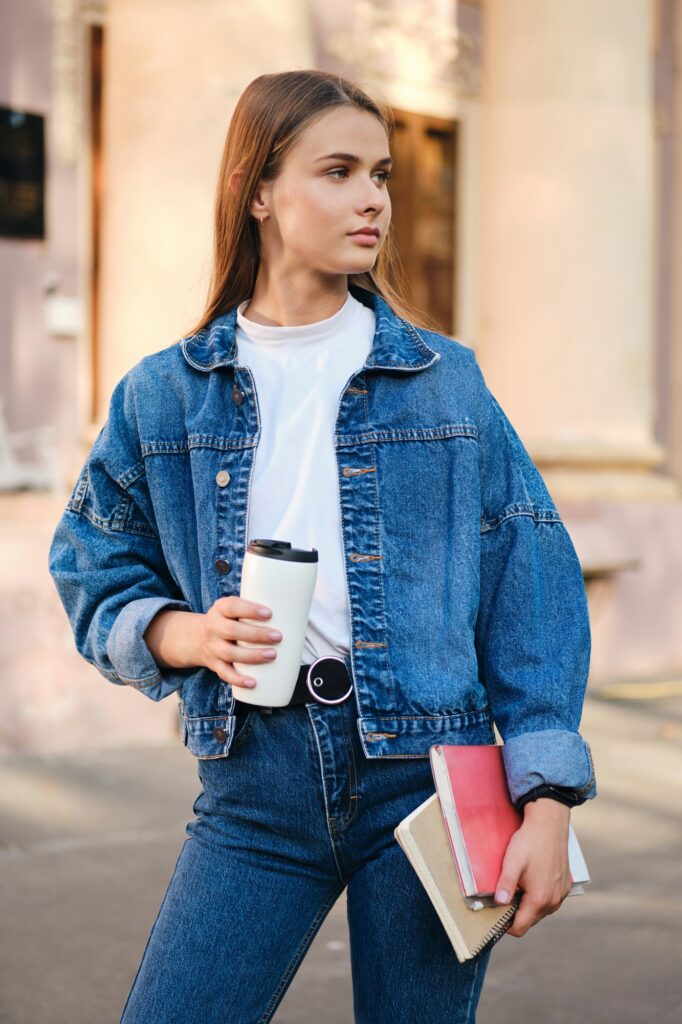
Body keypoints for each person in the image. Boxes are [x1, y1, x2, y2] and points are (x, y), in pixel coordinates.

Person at [48, 69, 597, 1024]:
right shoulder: (165, 395)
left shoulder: (443, 382)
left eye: (379, 173)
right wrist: (183, 635)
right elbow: (93, 560)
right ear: (259, 191)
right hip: (254, 780)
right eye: (338, 171)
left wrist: (544, 799)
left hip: (429, 779)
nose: (373, 198)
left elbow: (530, 581)